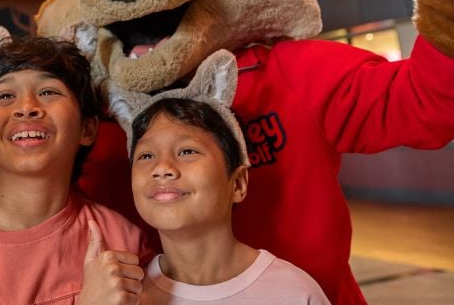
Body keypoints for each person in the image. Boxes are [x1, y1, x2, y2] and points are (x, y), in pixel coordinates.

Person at [0, 36, 151, 305]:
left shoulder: (123, 241)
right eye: (5, 96)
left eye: (48, 92)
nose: (26, 108)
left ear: (87, 129)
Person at [130, 98, 330, 305]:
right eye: (146, 156)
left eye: (187, 151)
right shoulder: (126, 295)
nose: (162, 168)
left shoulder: (294, 293)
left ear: (238, 184)